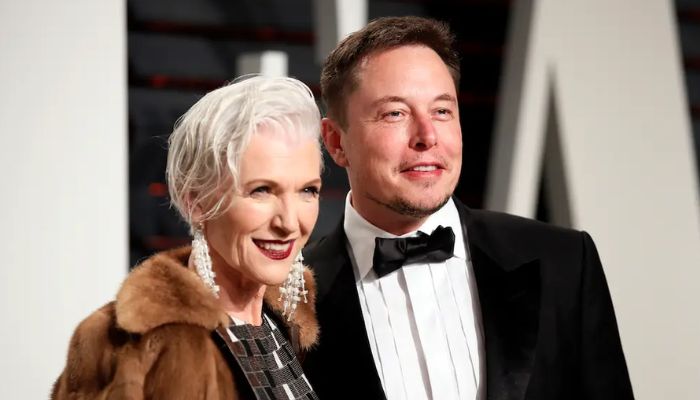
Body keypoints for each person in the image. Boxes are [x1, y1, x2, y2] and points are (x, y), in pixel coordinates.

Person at [301, 16, 634, 400]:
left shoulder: (564, 261)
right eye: (395, 113)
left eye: (442, 111)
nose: (427, 136)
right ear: (335, 141)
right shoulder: (286, 298)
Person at [52, 76, 323, 400]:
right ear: (196, 202)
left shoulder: (296, 323)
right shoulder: (135, 347)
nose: (290, 222)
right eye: (261, 190)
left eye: (308, 190)